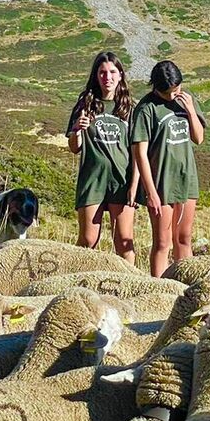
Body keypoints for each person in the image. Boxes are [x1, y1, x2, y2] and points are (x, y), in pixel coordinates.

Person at [129, 60, 205, 278]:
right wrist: (150, 193)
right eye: (168, 92)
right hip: (161, 181)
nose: (173, 95)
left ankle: (185, 286)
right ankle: (160, 289)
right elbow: (140, 153)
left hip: (186, 178)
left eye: (177, 89)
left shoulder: (186, 100)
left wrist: (190, 110)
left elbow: (198, 138)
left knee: (184, 238)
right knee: (162, 242)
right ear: (156, 87)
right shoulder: (146, 108)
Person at [65, 50, 136, 263]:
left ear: (121, 75)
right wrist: (78, 129)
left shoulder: (130, 107)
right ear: (96, 76)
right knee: (88, 239)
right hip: (92, 179)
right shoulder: (86, 103)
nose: (108, 77)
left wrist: (135, 185)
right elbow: (74, 147)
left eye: (113, 72)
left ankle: (128, 285)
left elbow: (138, 149)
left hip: (121, 180)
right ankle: (79, 283)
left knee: (124, 241)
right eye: (103, 72)